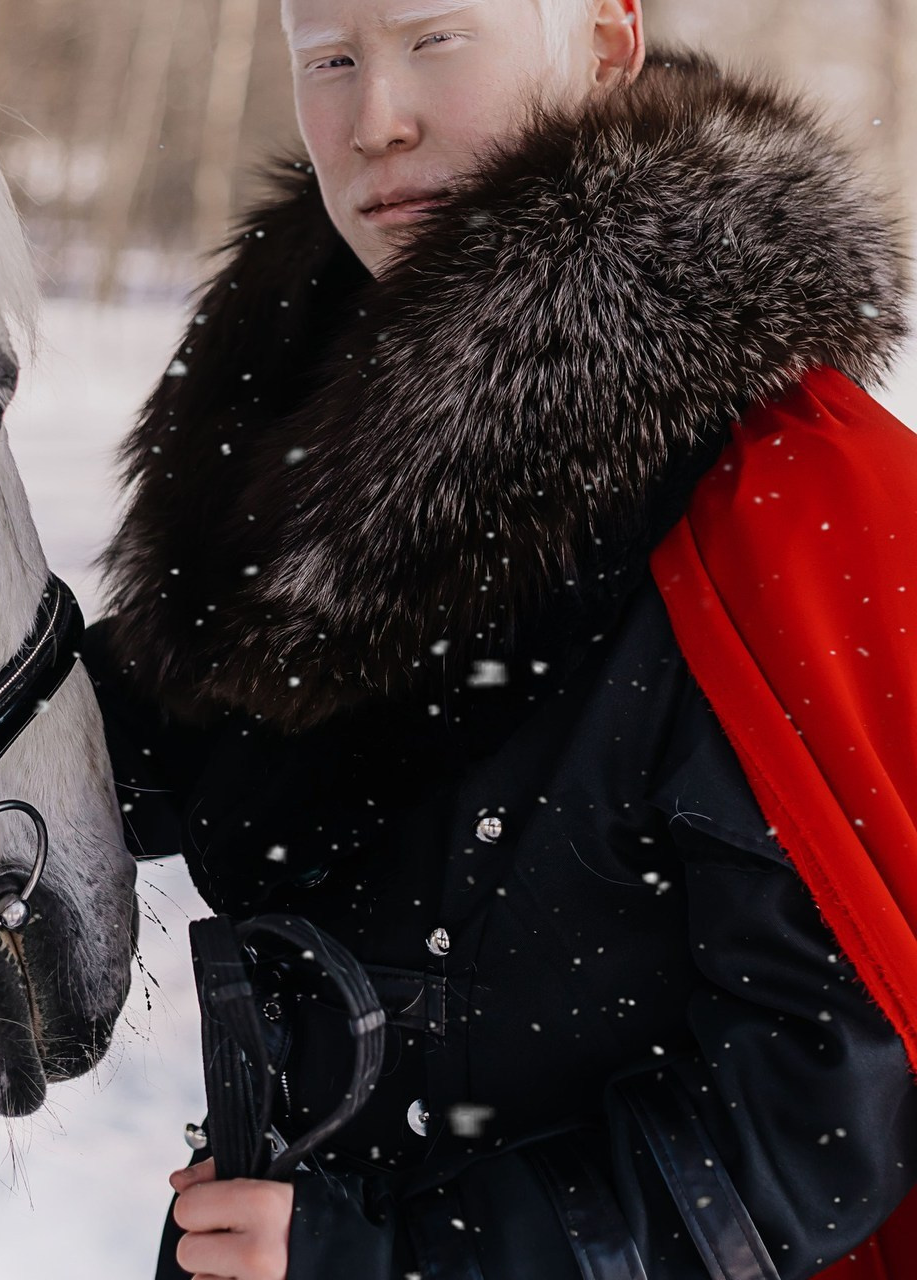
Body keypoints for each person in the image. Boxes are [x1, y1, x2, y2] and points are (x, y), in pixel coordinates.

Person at [81, 0, 917, 1276]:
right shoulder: (286, 423)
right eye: (330, 59)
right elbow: (170, 755)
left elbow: (813, 1122)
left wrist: (392, 1263)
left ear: (605, 37)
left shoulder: (780, 495)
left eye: (435, 39)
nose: (375, 120)